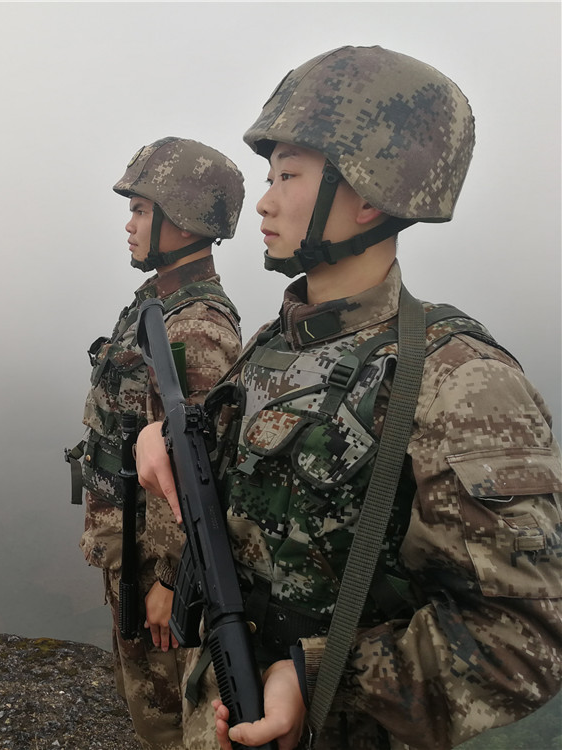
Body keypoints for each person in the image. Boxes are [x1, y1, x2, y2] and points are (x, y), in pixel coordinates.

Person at [134, 47, 562, 750]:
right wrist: (160, 440)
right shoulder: (274, 343)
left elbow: (520, 639)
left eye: (290, 176)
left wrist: (320, 676)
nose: (266, 201)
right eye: (269, 177)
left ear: (369, 193)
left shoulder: (461, 378)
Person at [67, 136, 246, 749]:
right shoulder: (156, 305)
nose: (130, 224)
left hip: (160, 574)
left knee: (171, 724)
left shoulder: (196, 327)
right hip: (133, 560)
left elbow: (193, 471)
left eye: (142, 210)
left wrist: (170, 580)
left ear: (186, 220)